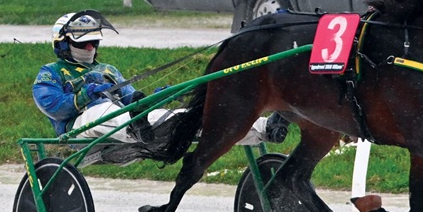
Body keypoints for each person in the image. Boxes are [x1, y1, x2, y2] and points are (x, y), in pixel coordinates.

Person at [33, 10, 291, 157]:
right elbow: (54, 107)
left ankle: (265, 128)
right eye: (83, 43)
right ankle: (137, 125)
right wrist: (87, 94)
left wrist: (157, 99)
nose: (90, 47)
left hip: (129, 122)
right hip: (81, 129)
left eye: (94, 42)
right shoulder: (51, 73)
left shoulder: (108, 70)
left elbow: (131, 99)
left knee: (189, 117)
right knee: (105, 112)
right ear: (63, 43)